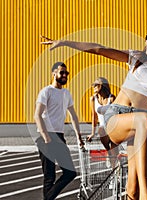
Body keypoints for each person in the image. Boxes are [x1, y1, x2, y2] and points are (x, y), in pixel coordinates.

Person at [40, 24, 147, 199]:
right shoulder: (137, 58)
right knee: (145, 119)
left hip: (136, 128)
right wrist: (65, 42)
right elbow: (100, 49)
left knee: (132, 187)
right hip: (116, 116)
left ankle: (139, 194)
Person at [34, 62, 84, 200]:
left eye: (66, 73)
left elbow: (73, 116)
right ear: (54, 74)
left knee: (70, 172)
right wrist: (46, 137)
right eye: (61, 72)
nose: (64, 75)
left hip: (59, 137)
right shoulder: (46, 91)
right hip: (47, 137)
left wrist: (78, 136)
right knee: (49, 177)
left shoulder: (66, 93)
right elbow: (37, 115)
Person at [87, 77, 117, 167]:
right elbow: (94, 116)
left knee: (114, 154)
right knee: (101, 130)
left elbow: (116, 115)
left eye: (96, 85)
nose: (94, 87)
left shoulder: (111, 98)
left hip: (113, 127)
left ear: (102, 86)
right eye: (93, 85)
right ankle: (108, 152)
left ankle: (115, 173)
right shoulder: (93, 99)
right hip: (103, 128)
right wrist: (92, 133)